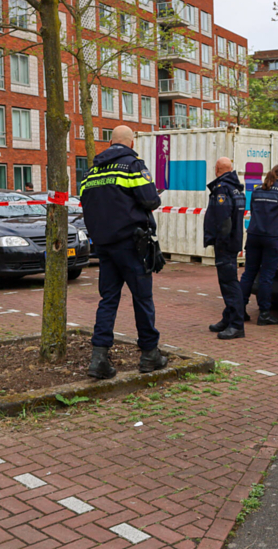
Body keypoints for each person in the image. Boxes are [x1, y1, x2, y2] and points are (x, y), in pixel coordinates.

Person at [80, 125, 168, 377]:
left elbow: (85, 202)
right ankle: (150, 354)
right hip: (132, 244)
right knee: (142, 298)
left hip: (104, 246)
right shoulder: (133, 164)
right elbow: (151, 199)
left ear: (110, 142)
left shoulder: (92, 171)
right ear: (131, 142)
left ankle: (99, 358)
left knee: (108, 299)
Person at [240, 165, 278, 325]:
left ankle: (239, 310)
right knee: (266, 276)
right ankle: (264, 314)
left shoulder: (257, 191)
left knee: (248, 273)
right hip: (272, 237)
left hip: (254, 235)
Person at [204, 157, 246, 340]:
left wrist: (220, 242)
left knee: (229, 284)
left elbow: (224, 220)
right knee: (228, 282)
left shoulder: (222, 189)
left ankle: (236, 325)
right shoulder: (236, 188)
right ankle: (228, 318)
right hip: (233, 241)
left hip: (225, 244)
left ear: (217, 168)